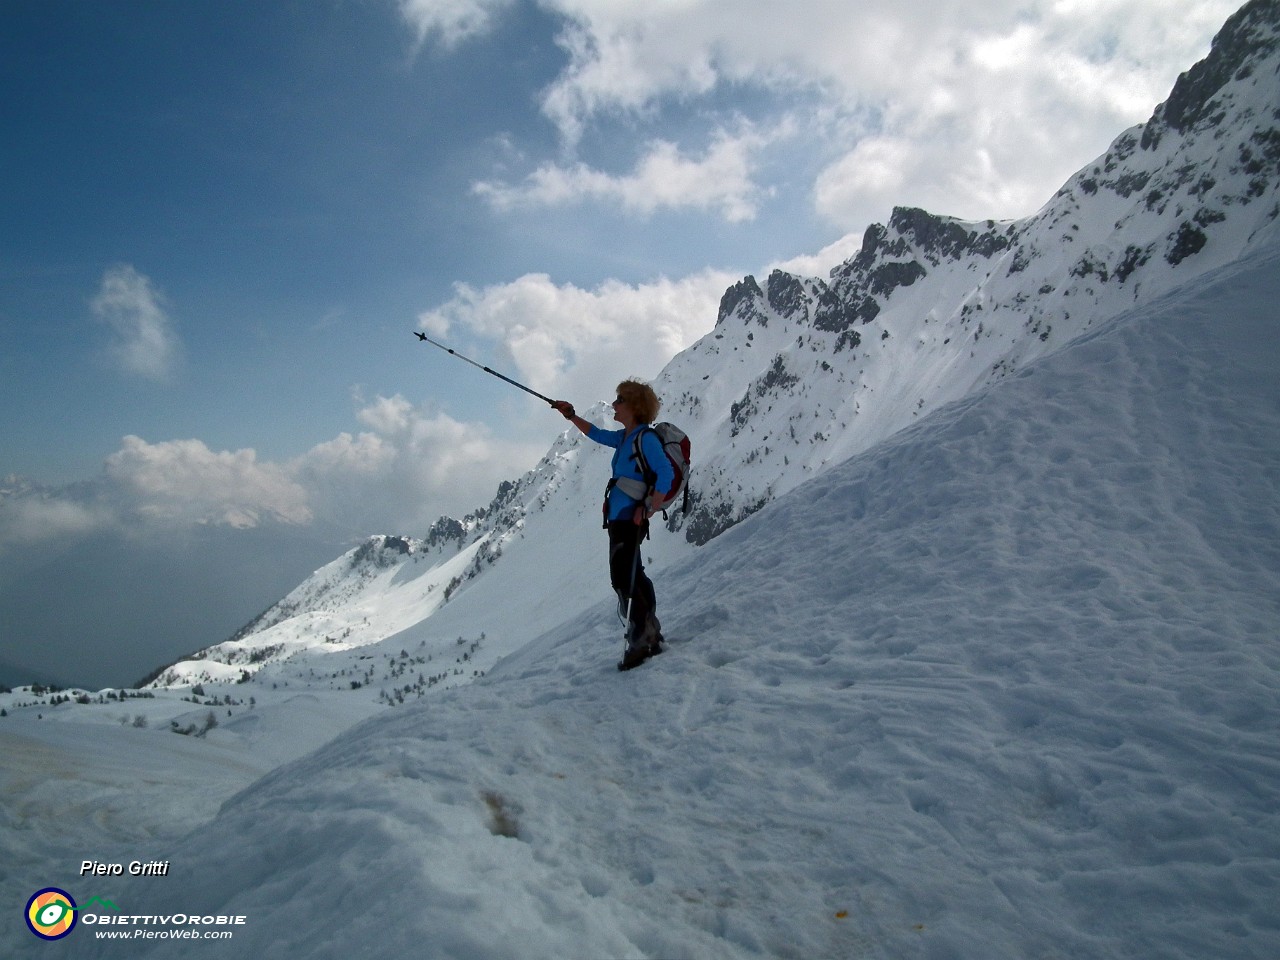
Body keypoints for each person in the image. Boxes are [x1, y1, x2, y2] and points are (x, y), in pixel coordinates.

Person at [552, 380, 675, 670]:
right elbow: (596, 434)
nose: (615, 405)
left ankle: (643, 639)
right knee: (633, 575)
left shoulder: (645, 439)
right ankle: (649, 632)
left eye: (620, 400)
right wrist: (571, 415)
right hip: (620, 518)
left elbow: (666, 474)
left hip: (629, 518)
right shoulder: (626, 438)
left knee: (624, 578)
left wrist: (647, 509)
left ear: (634, 407)